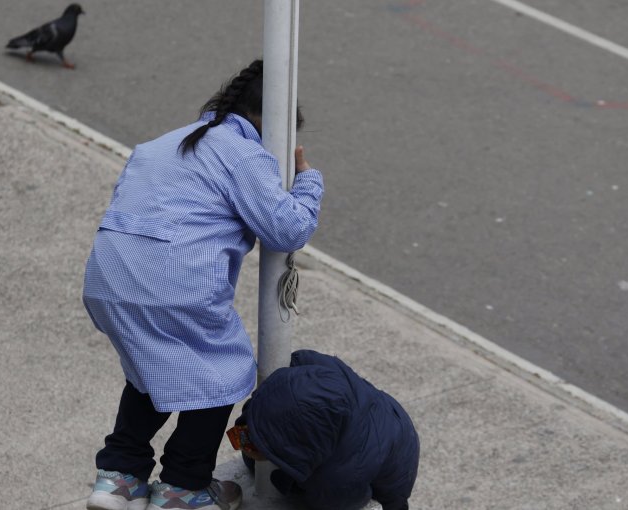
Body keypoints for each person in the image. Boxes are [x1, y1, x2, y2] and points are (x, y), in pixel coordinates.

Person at [82, 59, 324, 510]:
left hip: (108, 277)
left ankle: (118, 478)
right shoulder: (242, 152)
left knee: (154, 368)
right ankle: (182, 487)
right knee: (223, 372)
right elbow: (287, 230)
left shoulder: (161, 144)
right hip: (173, 282)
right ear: (271, 124)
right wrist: (306, 181)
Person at [232, 349, 420, 510]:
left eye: (255, 444)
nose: (242, 442)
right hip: (380, 413)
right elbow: (290, 373)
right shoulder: (312, 367)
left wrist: (287, 481)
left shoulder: (335, 479)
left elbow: (353, 498)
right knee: (255, 459)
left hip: (396, 462)